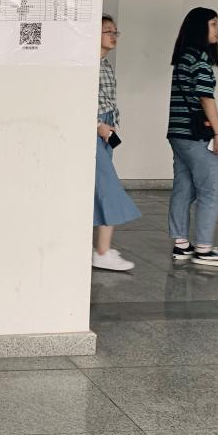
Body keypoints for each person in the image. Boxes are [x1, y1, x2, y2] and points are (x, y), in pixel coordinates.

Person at [167, 7, 218, 267]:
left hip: (178, 133)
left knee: (184, 189)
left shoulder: (184, 56)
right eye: (213, 24)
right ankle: (204, 250)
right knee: (211, 190)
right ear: (200, 28)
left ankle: (181, 245)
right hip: (196, 135)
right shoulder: (199, 59)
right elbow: (206, 98)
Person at [92, 15, 141, 271]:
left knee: (100, 187)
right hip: (95, 130)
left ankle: (101, 249)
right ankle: (102, 251)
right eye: (107, 31)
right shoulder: (87, 64)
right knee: (108, 187)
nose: (113, 35)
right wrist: (96, 124)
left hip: (106, 129)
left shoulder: (105, 65)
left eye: (115, 32)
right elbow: (77, 98)